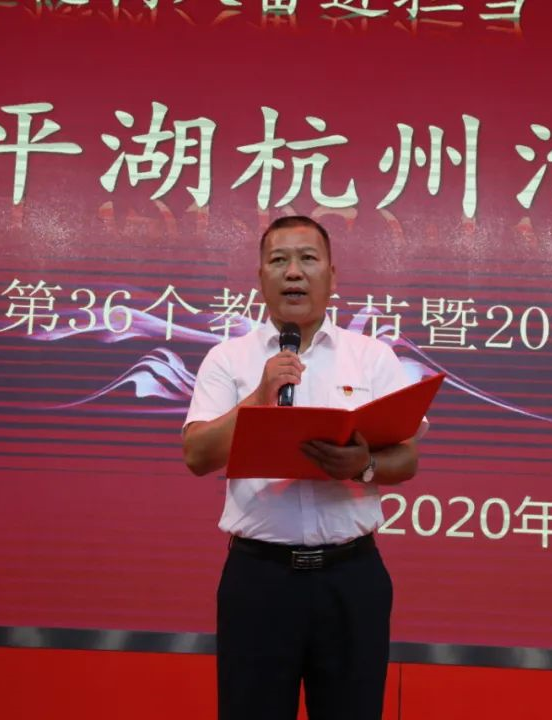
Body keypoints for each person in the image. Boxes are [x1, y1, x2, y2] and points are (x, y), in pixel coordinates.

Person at [182, 216, 425, 720]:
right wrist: (258, 397)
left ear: (332, 275)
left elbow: (406, 458)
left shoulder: (371, 357)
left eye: (308, 259)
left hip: (350, 578)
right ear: (260, 277)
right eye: (279, 260)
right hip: (259, 578)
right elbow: (197, 455)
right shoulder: (228, 359)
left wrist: (363, 465)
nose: (294, 272)